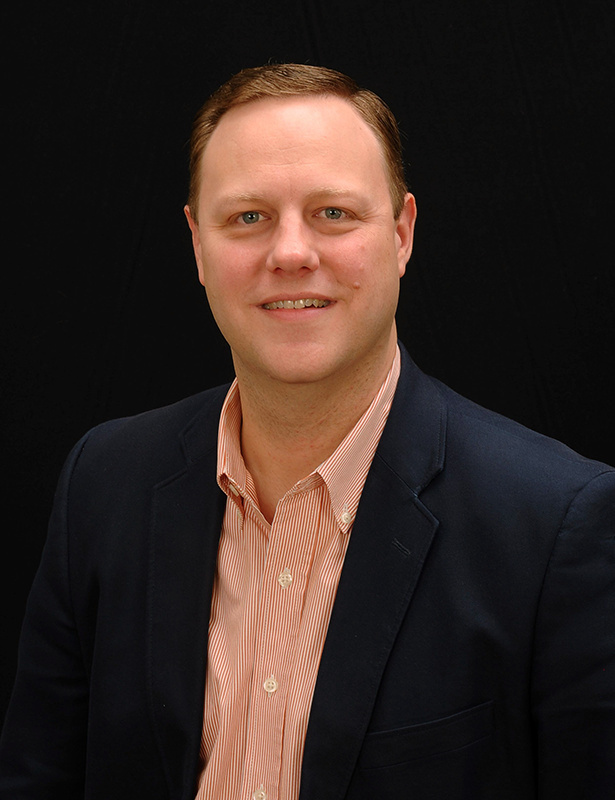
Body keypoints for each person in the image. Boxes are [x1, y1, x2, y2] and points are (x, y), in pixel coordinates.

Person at [0, 63, 613, 800]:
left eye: (332, 213)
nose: (290, 253)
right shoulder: (103, 482)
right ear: (197, 244)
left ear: (401, 234)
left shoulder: (555, 524)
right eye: (248, 217)